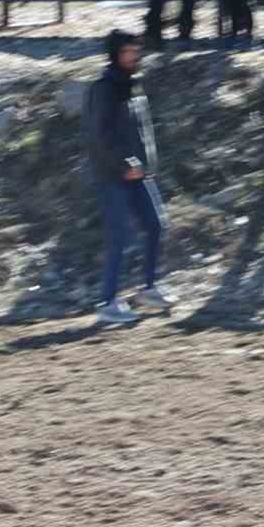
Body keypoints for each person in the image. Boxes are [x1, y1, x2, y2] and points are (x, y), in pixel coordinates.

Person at [82, 29, 172, 325]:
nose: (134, 56)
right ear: (115, 55)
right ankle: (107, 302)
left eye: (136, 51)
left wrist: (147, 163)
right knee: (119, 237)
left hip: (139, 173)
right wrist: (126, 164)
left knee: (156, 225)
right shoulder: (104, 89)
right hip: (113, 175)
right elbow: (100, 136)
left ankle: (147, 288)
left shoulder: (134, 86)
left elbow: (142, 132)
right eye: (128, 52)